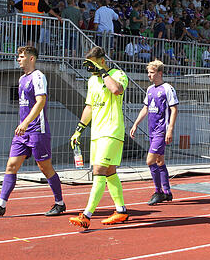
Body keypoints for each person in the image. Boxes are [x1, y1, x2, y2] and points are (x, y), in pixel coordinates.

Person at [0, 46, 66, 217]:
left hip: (36, 130)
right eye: (18, 56)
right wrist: (23, 124)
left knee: (44, 167)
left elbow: (41, 101)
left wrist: (26, 123)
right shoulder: (21, 79)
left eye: (21, 56)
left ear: (31, 58)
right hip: (22, 132)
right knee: (11, 166)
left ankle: (59, 203)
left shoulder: (39, 76)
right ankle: (1, 204)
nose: (18, 59)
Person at [69, 46, 130, 229]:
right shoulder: (91, 81)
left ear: (102, 61)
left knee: (98, 170)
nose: (91, 69)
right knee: (110, 172)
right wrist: (79, 130)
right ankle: (121, 211)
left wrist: (103, 72)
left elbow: (116, 90)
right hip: (97, 133)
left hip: (112, 131)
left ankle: (86, 215)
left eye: (93, 64)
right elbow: (90, 107)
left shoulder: (117, 74)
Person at [130, 60, 179, 205]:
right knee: (159, 161)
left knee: (150, 161)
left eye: (151, 73)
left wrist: (170, 129)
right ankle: (167, 192)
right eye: (148, 73)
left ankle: (158, 192)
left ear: (160, 73)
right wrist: (136, 123)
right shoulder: (150, 89)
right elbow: (145, 108)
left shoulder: (167, 89)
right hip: (152, 130)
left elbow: (174, 109)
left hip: (161, 130)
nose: (149, 75)